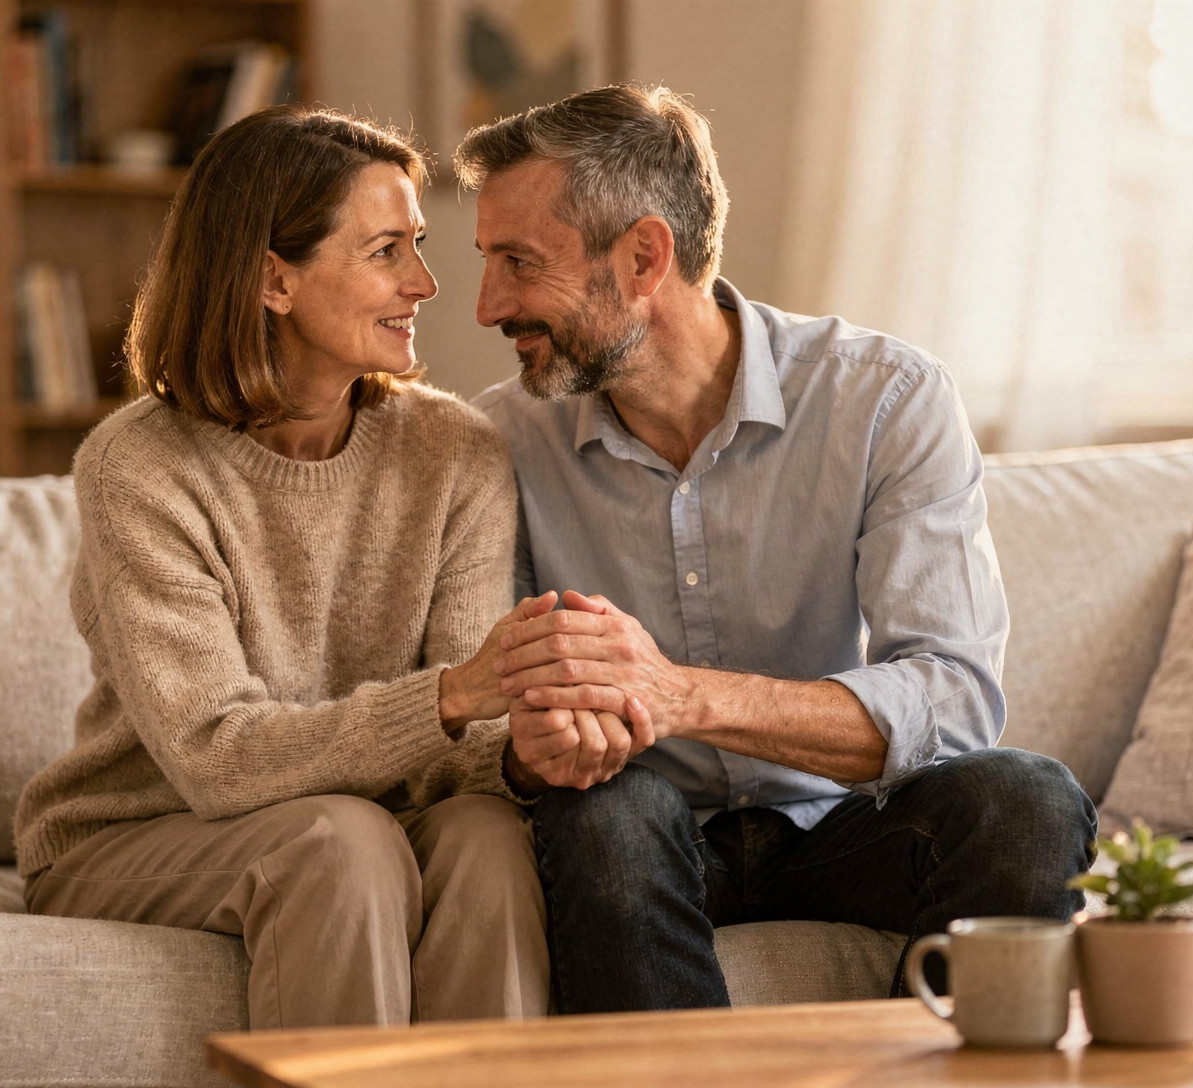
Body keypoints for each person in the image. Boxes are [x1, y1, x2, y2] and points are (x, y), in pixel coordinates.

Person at [460, 85, 1099, 1012]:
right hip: (645, 827)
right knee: (602, 811)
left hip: (850, 823)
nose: (487, 305)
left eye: (519, 262)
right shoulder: (500, 442)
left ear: (645, 255)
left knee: (1029, 801)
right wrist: (536, 744)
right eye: (487, 261)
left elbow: (957, 697)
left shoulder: (885, 398)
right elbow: (490, 726)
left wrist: (680, 696)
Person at [13, 106, 608, 1028]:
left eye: (416, 243)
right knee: (342, 843)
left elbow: (463, 757)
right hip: (137, 830)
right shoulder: (140, 467)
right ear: (272, 279)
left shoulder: (457, 453)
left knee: (490, 840)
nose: (427, 281)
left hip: (364, 809)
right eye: (384, 252)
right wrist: (451, 696)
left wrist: (532, 756)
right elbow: (215, 757)